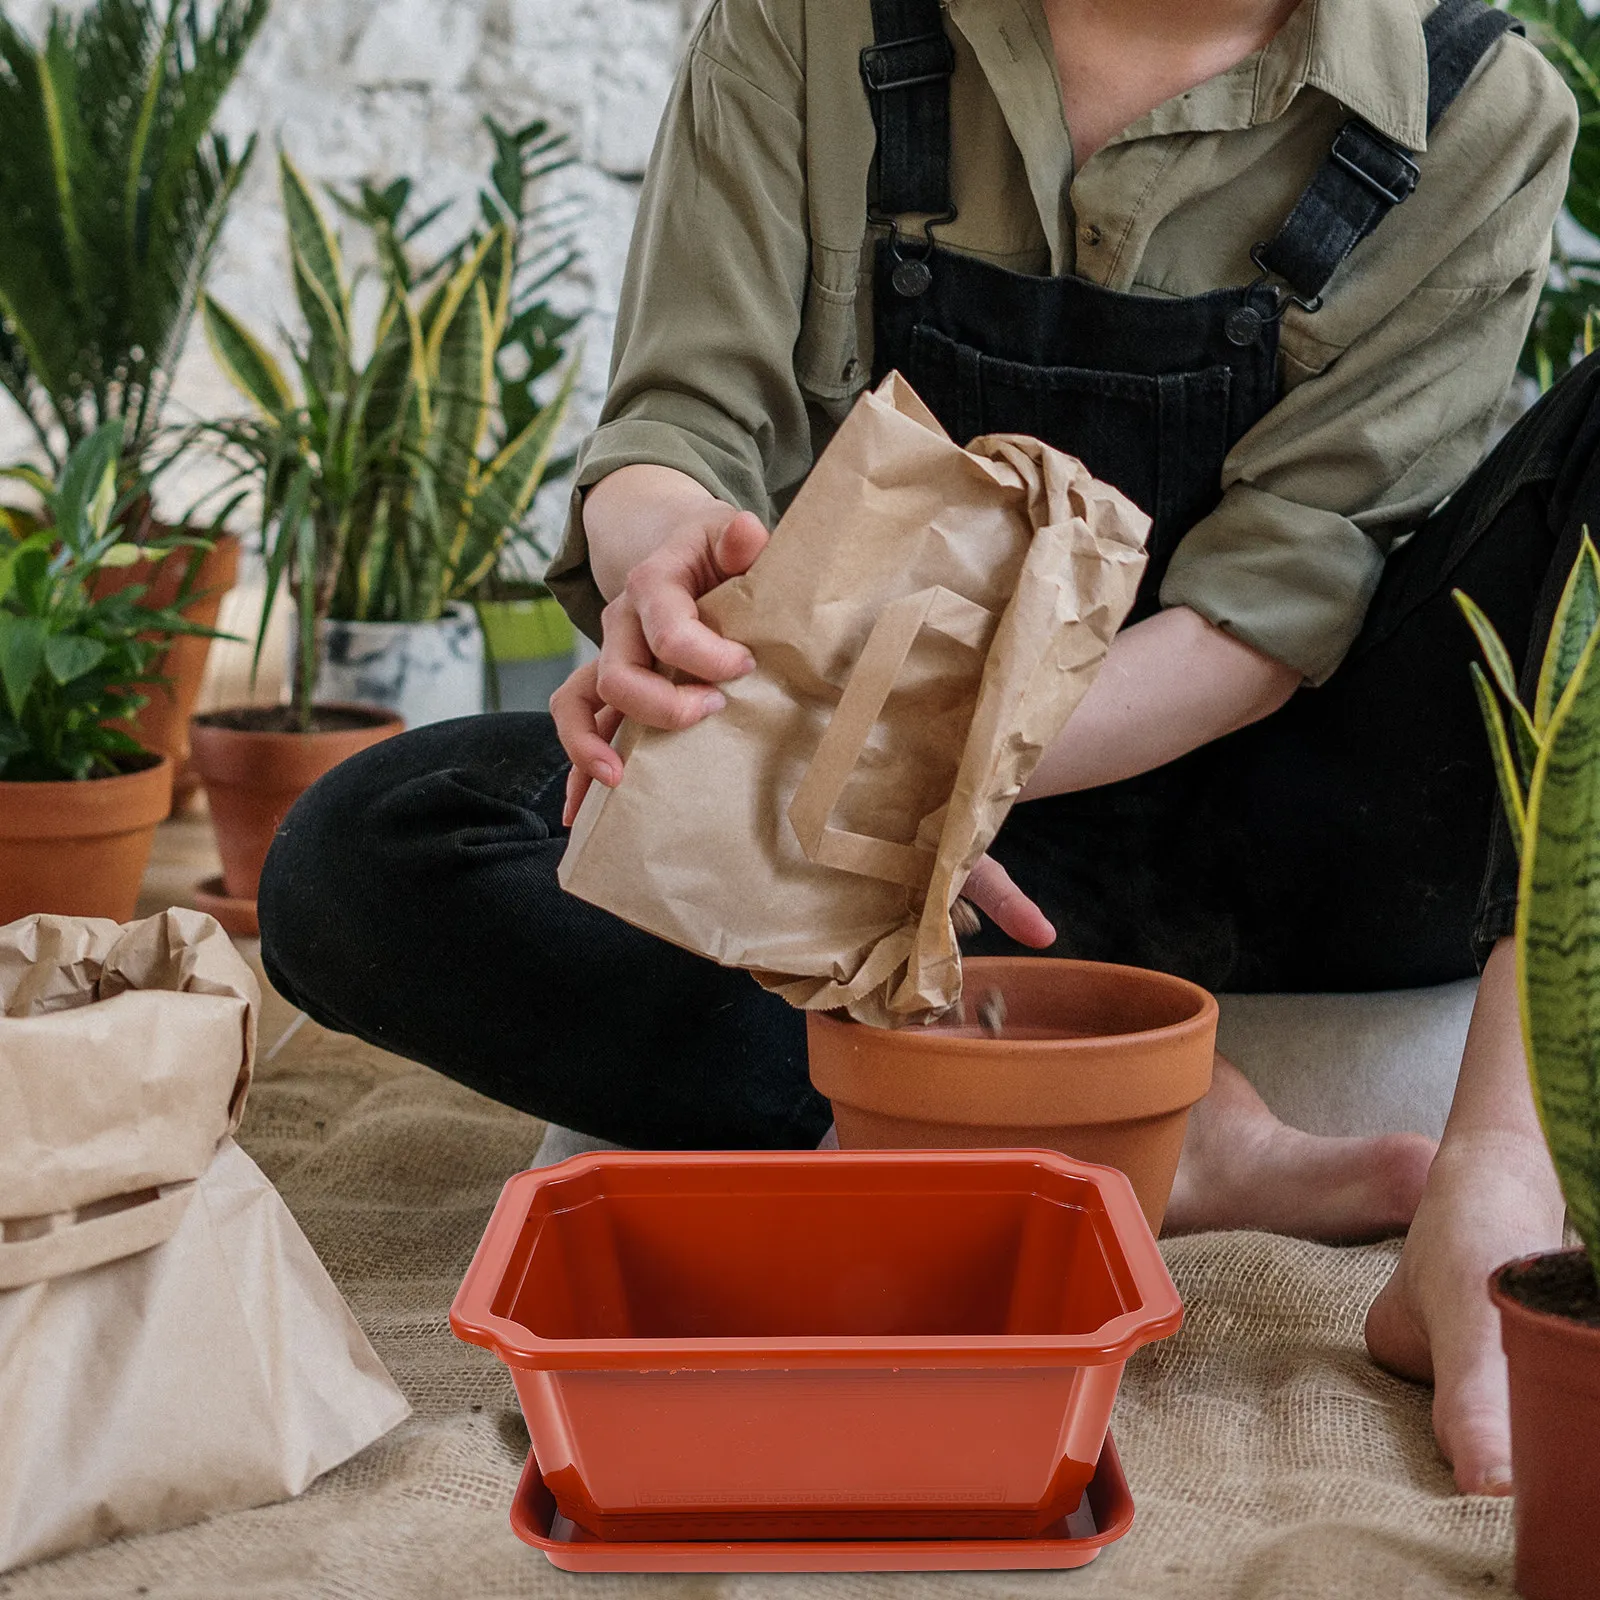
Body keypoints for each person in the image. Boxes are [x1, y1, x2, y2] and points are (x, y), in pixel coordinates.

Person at [258, 0, 1592, 1497]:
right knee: (367, 852)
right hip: (859, 831)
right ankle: (1171, 1140)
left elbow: (1267, 621)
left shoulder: (1479, 105)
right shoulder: (806, 22)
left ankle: (1495, 1169)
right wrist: (665, 590)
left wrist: (935, 776)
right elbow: (681, 424)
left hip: (1294, 810)